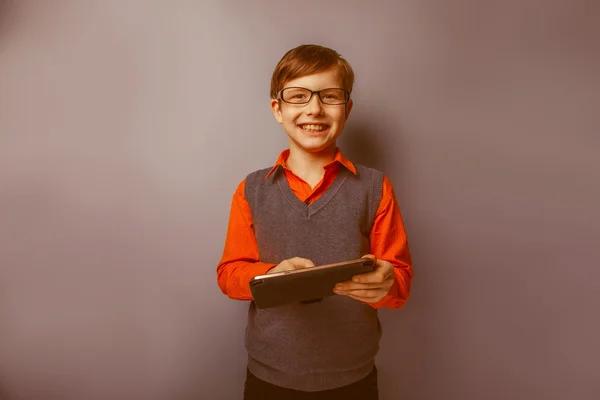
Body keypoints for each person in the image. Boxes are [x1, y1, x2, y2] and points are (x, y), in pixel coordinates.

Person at [216, 44, 413, 400]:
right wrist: (268, 277)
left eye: (330, 96)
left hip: (353, 378)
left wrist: (386, 283)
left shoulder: (375, 187)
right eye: (298, 96)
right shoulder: (250, 190)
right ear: (278, 109)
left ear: (347, 108)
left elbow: (399, 279)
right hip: (269, 377)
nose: (315, 108)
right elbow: (229, 274)